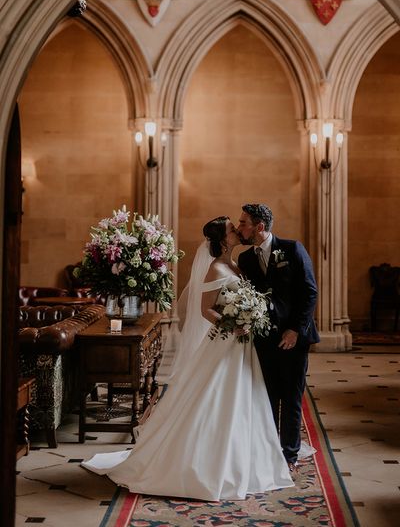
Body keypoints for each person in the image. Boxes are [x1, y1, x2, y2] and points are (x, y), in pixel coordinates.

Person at [81, 216, 293, 500]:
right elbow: (206, 310)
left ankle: (245, 457)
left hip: (242, 344)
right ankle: (204, 462)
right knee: (216, 397)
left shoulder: (235, 264)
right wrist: (231, 325)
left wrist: (249, 316)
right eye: (231, 229)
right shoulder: (215, 268)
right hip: (226, 341)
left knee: (245, 397)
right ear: (221, 239)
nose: (235, 231)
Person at [237, 204, 319, 474]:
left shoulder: (293, 248)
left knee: (292, 398)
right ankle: (270, 450)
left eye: (244, 223)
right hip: (263, 340)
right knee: (268, 397)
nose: (240, 228)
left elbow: (309, 292)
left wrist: (295, 329)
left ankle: (290, 455)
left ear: (260, 226)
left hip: (295, 337)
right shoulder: (246, 259)